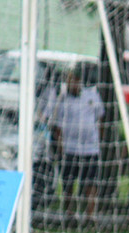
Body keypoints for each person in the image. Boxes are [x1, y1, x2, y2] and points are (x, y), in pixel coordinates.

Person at [47, 68, 104, 223]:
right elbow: (56, 126)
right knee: (68, 183)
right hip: (70, 148)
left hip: (90, 148)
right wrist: (60, 147)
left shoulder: (92, 95)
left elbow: (101, 119)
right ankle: (69, 214)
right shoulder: (61, 98)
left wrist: (99, 140)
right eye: (70, 80)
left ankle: (90, 216)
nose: (74, 83)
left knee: (90, 183)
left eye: (76, 80)